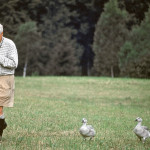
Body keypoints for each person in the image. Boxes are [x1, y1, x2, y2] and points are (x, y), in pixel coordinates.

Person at [0, 24, 18, 142]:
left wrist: (0, 58)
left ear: (1, 34)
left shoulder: (9, 44)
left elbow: (14, 64)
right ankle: (2, 123)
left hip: (5, 78)